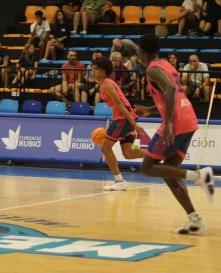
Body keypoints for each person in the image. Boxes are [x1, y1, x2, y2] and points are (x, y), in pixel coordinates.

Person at [135, 34, 214, 235]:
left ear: (142, 51)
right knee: (169, 172)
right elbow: (170, 95)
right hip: (188, 119)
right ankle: (195, 220)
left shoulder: (152, 69)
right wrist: (150, 110)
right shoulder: (166, 65)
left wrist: (168, 122)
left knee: (148, 167)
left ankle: (199, 176)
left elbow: (170, 89)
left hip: (177, 123)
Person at [92, 56, 146, 191]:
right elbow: (115, 107)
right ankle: (159, 153)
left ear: (104, 71)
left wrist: (134, 125)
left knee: (105, 148)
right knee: (128, 153)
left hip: (123, 119)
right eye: (92, 69)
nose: (93, 72)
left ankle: (119, 180)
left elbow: (121, 106)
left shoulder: (108, 85)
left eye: (96, 69)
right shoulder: (104, 84)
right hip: (123, 119)